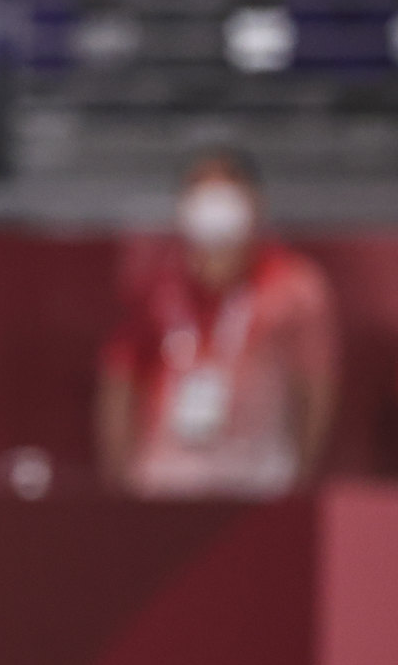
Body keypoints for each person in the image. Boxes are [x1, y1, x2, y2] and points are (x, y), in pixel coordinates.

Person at [97, 152, 340, 499]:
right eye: (201, 185)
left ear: (255, 200)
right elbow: (121, 379)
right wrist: (120, 480)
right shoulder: (154, 285)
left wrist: (299, 479)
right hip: (165, 480)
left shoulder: (294, 287)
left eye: (228, 183)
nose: (214, 195)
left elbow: (314, 386)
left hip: (259, 478)